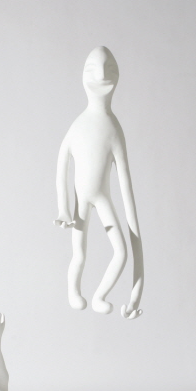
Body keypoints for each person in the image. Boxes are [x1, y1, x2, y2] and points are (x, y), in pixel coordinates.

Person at [54, 46, 143, 318]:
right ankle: (73, 292)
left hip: (102, 200)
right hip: (80, 204)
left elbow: (125, 185)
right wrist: (63, 209)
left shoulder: (114, 129)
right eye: (94, 70)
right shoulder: (78, 125)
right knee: (79, 255)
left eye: (109, 70)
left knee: (122, 252)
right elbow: (61, 167)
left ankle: (99, 296)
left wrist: (136, 295)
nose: (102, 76)